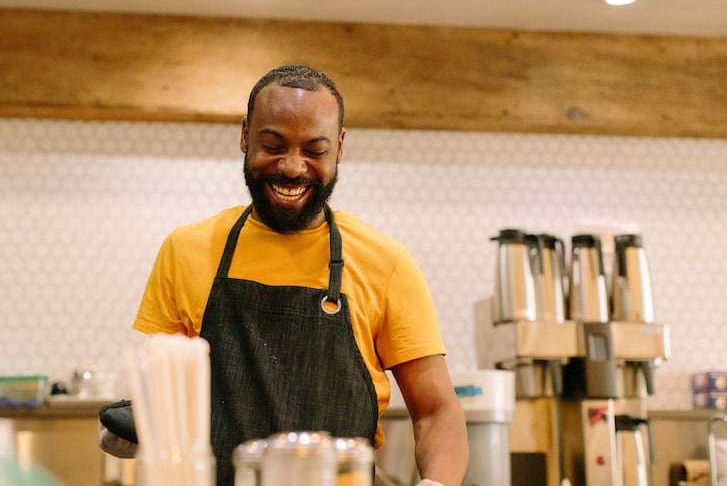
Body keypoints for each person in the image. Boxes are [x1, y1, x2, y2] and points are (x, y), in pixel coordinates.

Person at [101, 65, 469, 486]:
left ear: (340, 147)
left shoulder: (387, 264)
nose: (293, 167)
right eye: (273, 145)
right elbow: (165, 389)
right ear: (244, 136)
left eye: (314, 150)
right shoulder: (186, 251)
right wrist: (140, 422)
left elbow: (437, 411)